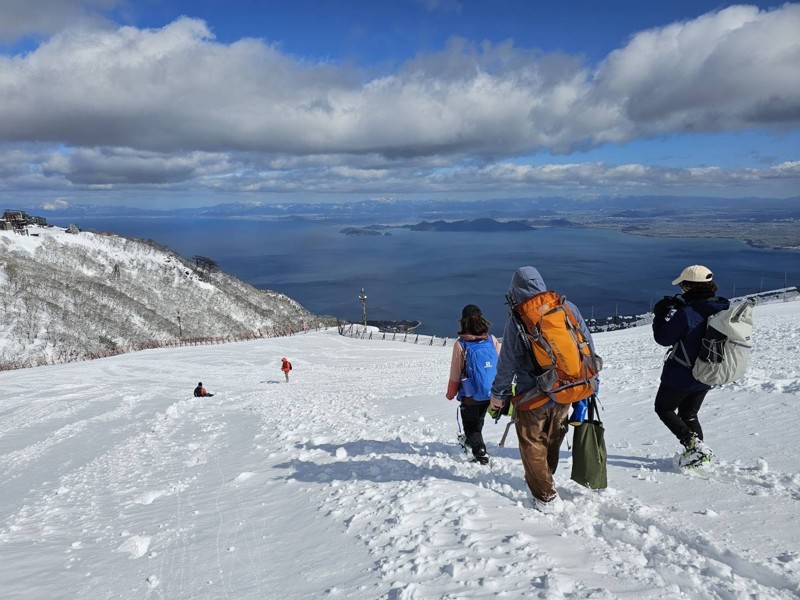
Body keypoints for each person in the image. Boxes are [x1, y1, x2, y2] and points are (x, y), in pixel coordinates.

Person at [489, 266, 596, 513]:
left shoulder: (519, 318)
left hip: (533, 395)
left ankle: (545, 497)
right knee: (553, 436)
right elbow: (586, 344)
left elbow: (507, 362)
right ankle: (547, 478)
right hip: (566, 389)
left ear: (514, 290)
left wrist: (498, 394)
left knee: (531, 442)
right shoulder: (567, 308)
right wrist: (589, 382)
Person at [651, 265, 729, 466]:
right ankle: (700, 455)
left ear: (688, 286)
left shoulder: (688, 312)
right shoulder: (722, 307)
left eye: (683, 286)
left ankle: (693, 445)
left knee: (664, 408)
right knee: (689, 414)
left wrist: (659, 316)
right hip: (708, 372)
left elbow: (663, 338)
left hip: (682, 375)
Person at [446, 304, 501, 465]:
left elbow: (455, 372)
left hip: (470, 394)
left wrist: (451, 393)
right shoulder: (491, 340)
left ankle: (480, 452)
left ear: (463, 322)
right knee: (479, 420)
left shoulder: (461, 344)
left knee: (470, 425)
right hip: (490, 393)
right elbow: (500, 364)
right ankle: (474, 442)